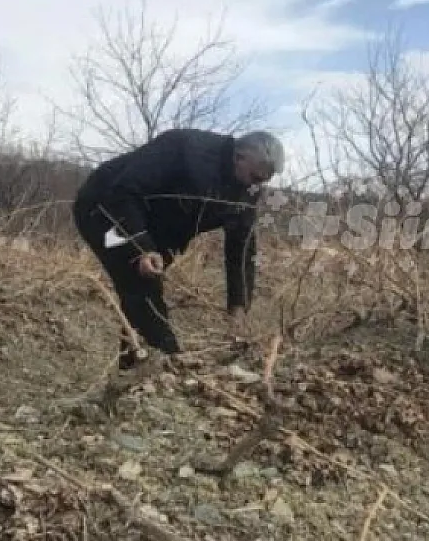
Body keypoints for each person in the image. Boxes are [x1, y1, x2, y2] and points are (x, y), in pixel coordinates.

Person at [69, 128, 284, 411]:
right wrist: (142, 246)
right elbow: (124, 189)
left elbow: (241, 249)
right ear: (239, 157)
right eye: (255, 178)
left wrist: (238, 306)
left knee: (144, 293)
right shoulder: (185, 148)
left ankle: (132, 378)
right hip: (106, 208)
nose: (256, 187)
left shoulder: (247, 191)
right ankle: (164, 370)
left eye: (263, 183)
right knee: (141, 284)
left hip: (161, 231)